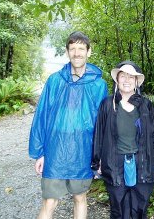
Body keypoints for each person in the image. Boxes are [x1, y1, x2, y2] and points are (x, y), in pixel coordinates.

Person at [29, 31, 108, 219]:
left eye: (81, 48)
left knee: (80, 197)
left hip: (83, 150)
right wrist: (39, 152)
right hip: (55, 150)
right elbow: (41, 116)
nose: (77, 53)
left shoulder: (99, 85)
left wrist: (101, 155)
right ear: (67, 52)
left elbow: (103, 124)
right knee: (50, 201)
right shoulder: (55, 81)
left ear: (89, 52)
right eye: (72, 49)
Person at [92, 61, 154, 219]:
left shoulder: (147, 106)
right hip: (114, 164)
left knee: (140, 209)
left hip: (143, 163)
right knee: (118, 210)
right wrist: (96, 162)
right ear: (117, 80)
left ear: (136, 81)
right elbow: (98, 135)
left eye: (131, 77)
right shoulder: (107, 104)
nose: (126, 80)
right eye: (123, 76)